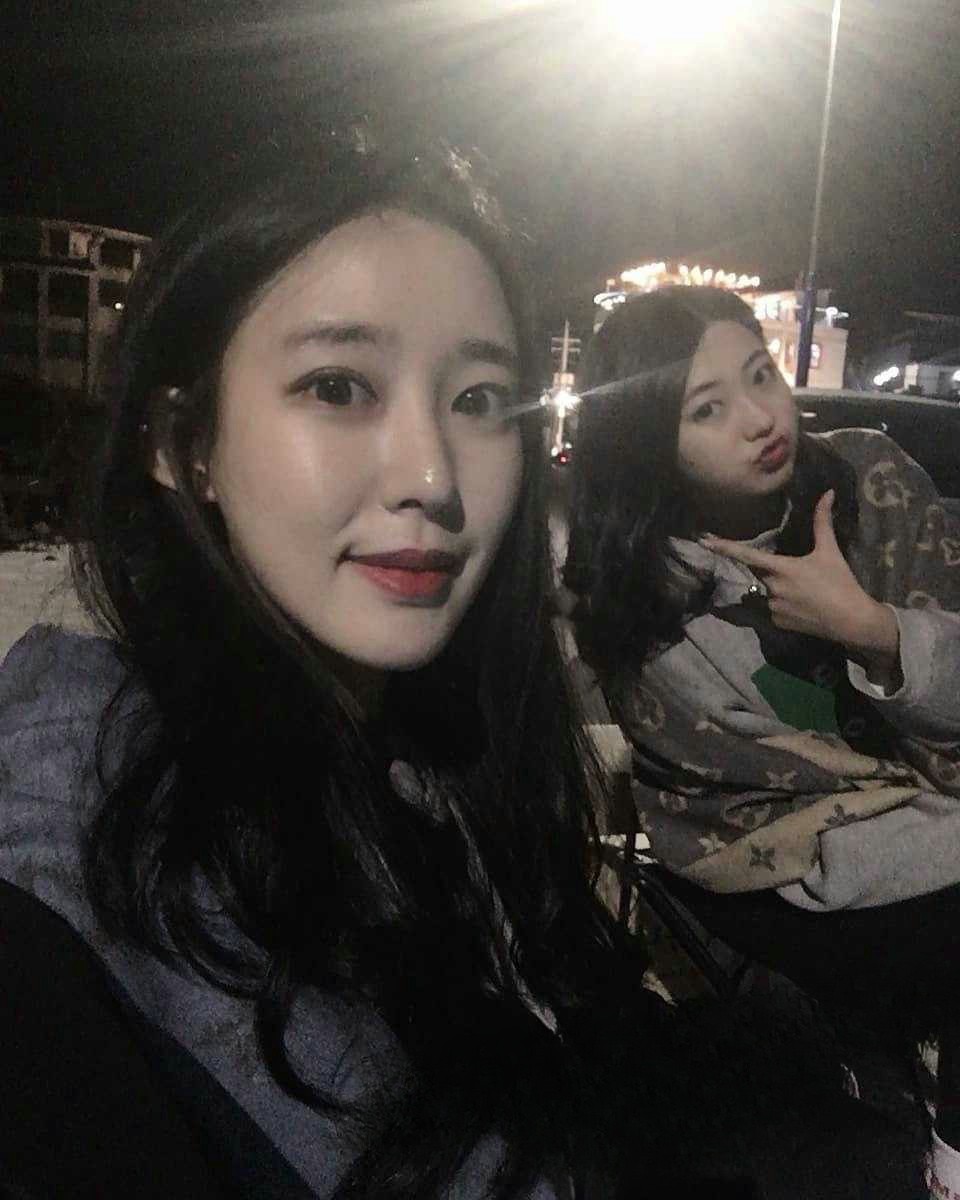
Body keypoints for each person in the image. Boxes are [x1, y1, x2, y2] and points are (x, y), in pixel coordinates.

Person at [0, 141, 926, 1199]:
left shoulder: (432, 740)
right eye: (339, 386)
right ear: (183, 445)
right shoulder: (95, 863)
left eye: (482, 400)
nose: (433, 475)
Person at [565, 284, 960, 1079]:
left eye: (760, 375)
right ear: (648, 443)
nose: (759, 419)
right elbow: (740, 796)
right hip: (776, 861)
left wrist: (873, 631)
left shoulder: (873, 481)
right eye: (707, 409)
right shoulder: (640, 593)